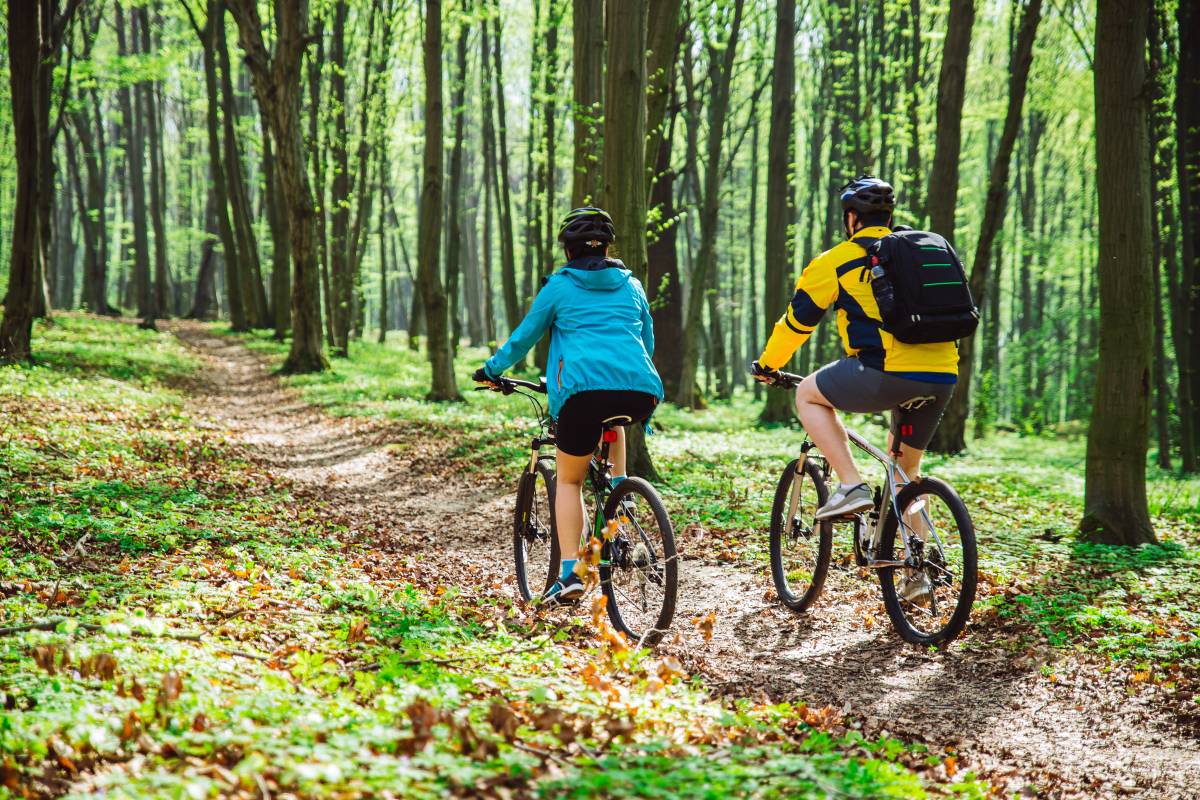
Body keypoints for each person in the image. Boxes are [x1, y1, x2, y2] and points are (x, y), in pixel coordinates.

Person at [474, 207, 664, 604]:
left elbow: (524, 337)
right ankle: (621, 494)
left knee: (570, 480)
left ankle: (570, 573)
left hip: (582, 395)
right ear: (608, 247)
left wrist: (492, 370)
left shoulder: (559, 286)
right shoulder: (632, 285)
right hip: (640, 391)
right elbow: (646, 339)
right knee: (615, 422)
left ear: (568, 251)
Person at [752, 175, 958, 520]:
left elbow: (796, 324)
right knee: (906, 475)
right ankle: (918, 569)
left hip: (884, 372)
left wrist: (768, 365)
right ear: (889, 218)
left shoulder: (836, 261)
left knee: (806, 392)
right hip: (942, 375)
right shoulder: (916, 255)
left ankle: (851, 486)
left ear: (851, 218)